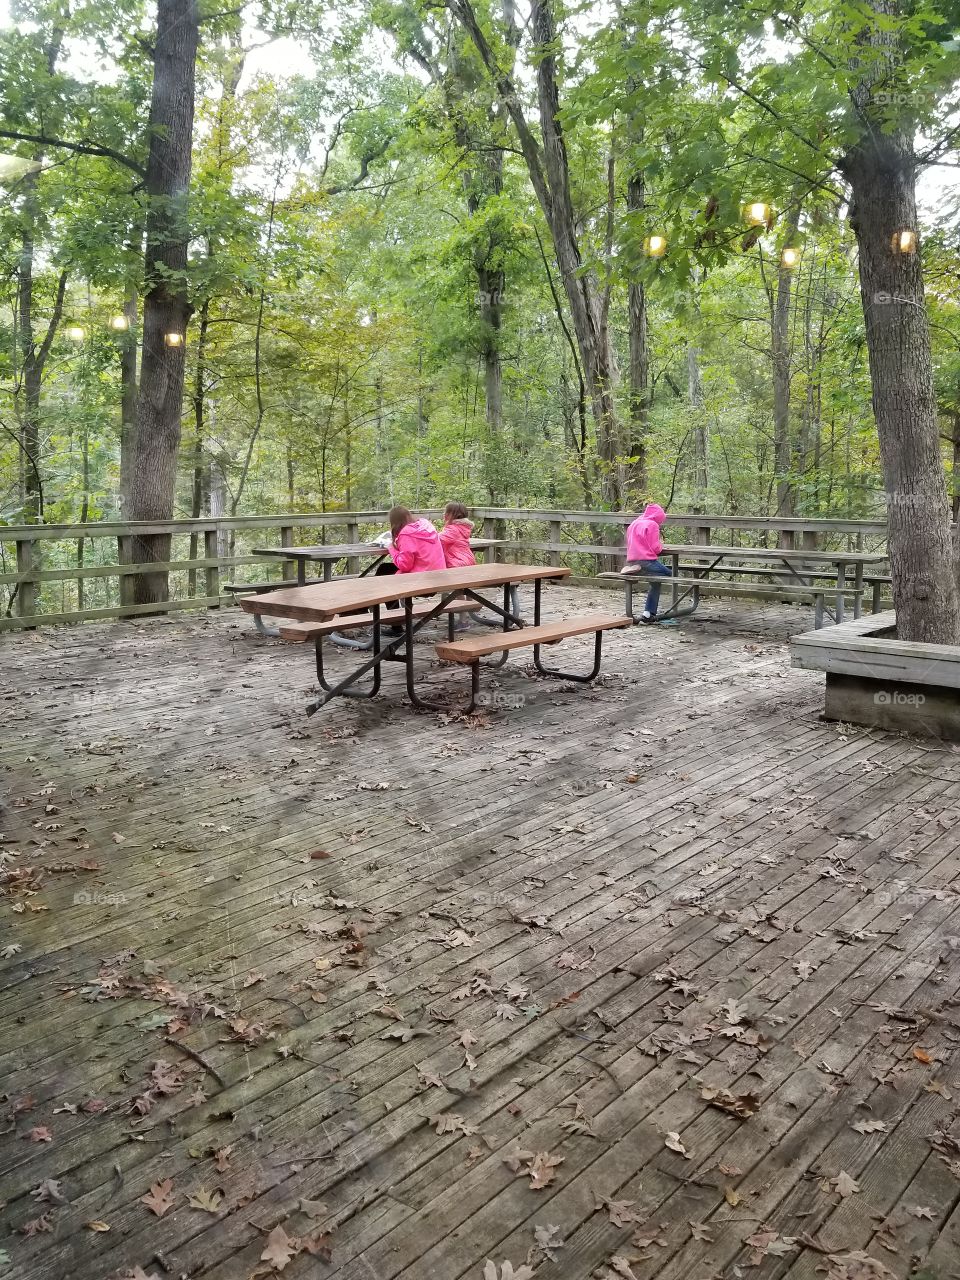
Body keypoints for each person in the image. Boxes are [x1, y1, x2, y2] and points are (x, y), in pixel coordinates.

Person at [622, 502, 670, 623]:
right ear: (658, 517)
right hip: (647, 560)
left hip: (633, 560)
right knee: (670, 572)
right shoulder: (652, 525)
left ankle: (648, 613)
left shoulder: (635, 523)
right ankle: (653, 612)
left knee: (655, 582)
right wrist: (661, 546)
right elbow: (655, 548)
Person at [387, 506, 447, 573]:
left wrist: (392, 549)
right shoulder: (426, 524)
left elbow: (405, 566)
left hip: (424, 577)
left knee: (385, 571)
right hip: (440, 571)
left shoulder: (406, 534)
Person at [439, 502, 476, 568]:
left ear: (451, 515)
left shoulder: (453, 529)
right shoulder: (463, 527)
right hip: (468, 559)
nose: (444, 514)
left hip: (457, 562)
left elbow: (437, 539)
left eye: (446, 512)